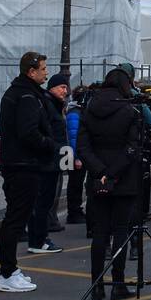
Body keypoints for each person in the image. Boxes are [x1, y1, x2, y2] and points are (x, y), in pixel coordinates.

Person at [77, 69, 142, 300]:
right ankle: (117, 283)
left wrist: (100, 172)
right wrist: (113, 173)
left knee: (100, 232)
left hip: (97, 178)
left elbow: (83, 147)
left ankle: (96, 285)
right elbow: (133, 147)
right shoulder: (129, 111)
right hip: (123, 178)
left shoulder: (89, 109)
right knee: (121, 231)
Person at [0, 52, 59, 292]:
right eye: (43, 68)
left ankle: (10, 270)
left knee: (16, 218)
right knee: (15, 219)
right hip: (23, 165)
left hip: (19, 164)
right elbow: (29, 133)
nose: (46, 72)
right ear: (31, 72)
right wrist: (51, 146)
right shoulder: (25, 96)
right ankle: (7, 273)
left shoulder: (23, 93)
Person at [27, 74, 69, 254]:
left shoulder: (55, 104)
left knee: (45, 201)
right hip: (47, 160)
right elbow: (46, 131)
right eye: (61, 87)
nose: (65, 91)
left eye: (66, 88)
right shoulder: (48, 104)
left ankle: (39, 237)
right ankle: (39, 240)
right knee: (43, 201)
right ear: (51, 88)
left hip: (52, 159)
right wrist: (52, 147)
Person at [64, 90, 86, 226]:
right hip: (74, 155)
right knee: (75, 184)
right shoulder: (74, 114)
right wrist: (77, 158)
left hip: (74, 154)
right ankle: (74, 212)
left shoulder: (75, 112)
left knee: (76, 183)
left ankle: (75, 210)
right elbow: (73, 137)